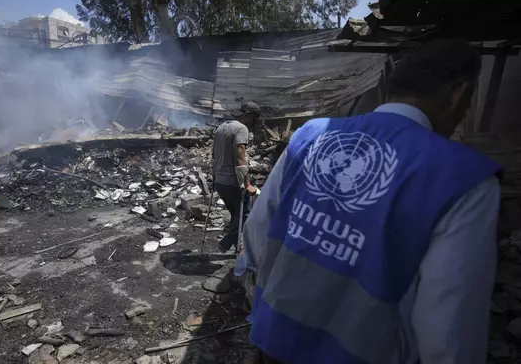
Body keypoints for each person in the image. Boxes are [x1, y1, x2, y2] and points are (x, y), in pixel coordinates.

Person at [240, 39, 501, 364]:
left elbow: (256, 233)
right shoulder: (465, 179)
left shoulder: (312, 134)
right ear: (457, 92)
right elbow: (447, 335)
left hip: (273, 342)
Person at [212, 101, 261, 253]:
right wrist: (247, 184)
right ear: (247, 115)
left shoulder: (221, 127)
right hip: (232, 182)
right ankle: (226, 244)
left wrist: (214, 177)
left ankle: (237, 246)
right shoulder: (241, 128)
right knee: (247, 214)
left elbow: (214, 155)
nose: (255, 122)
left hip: (220, 181)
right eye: (255, 118)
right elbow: (240, 158)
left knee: (236, 215)